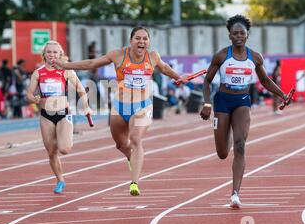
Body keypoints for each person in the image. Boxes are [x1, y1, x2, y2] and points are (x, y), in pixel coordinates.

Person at [54, 26, 188, 196]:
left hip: (142, 105)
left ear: (148, 42)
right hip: (120, 106)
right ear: (131, 41)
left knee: (136, 139)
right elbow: (91, 63)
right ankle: (130, 158)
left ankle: (134, 183)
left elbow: (165, 68)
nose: (141, 41)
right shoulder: (117, 55)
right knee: (121, 144)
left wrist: (178, 77)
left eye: (145, 39)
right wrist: (64, 65)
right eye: (137, 38)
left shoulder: (153, 57)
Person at [200, 15, 291, 209]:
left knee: (240, 146)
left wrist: (283, 95)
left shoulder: (255, 57)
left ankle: (235, 194)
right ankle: (229, 132)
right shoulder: (222, 55)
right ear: (230, 36)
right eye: (235, 33)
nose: (239, 36)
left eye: (242, 33)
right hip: (223, 101)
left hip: (242, 101)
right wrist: (207, 104)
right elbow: (207, 81)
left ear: (247, 35)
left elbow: (265, 81)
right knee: (223, 153)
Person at [26, 40, 92, 194]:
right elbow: (29, 93)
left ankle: (65, 136)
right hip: (45, 116)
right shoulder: (38, 73)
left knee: (64, 149)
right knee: (51, 152)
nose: (52, 55)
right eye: (49, 52)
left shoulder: (66, 70)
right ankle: (60, 179)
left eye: (55, 52)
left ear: (60, 55)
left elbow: (81, 89)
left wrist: (87, 106)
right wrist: (32, 98)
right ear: (44, 55)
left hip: (63, 114)